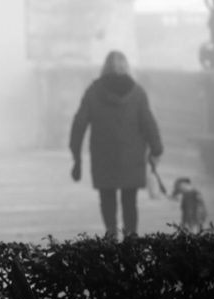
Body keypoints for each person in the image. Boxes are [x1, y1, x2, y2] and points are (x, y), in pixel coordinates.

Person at [69, 50, 163, 239]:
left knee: (107, 199)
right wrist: (156, 148)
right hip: (132, 157)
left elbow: (79, 124)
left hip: (104, 157)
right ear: (126, 67)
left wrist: (76, 157)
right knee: (130, 201)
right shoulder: (137, 93)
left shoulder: (94, 92)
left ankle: (111, 235)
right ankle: (131, 240)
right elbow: (148, 123)